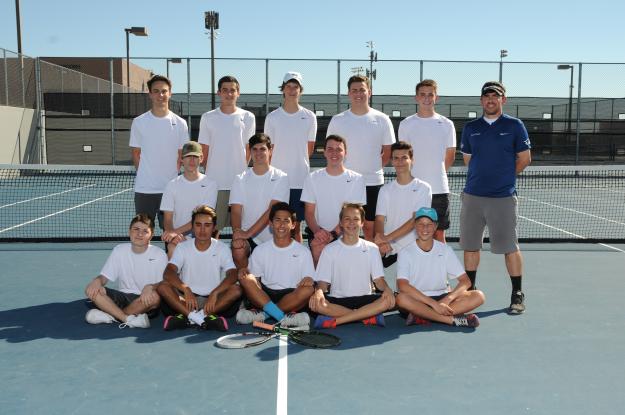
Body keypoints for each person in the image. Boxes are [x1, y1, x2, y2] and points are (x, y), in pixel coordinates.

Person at [459, 81, 531, 314]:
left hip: (503, 198)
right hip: (473, 197)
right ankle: (470, 291)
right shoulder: (471, 127)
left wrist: (504, 178)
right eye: (487, 97)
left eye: (495, 96)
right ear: (481, 101)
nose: (491, 100)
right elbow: (468, 160)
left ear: (503, 100)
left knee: (510, 247)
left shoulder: (515, 125)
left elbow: (524, 158)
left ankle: (517, 293)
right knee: (470, 247)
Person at [326, 75, 395, 241]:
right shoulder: (338, 120)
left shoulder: (382, 119)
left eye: (362, 90)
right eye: (354, 90)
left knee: (370, 228)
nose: (358, 93)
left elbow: (388, 151)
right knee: (343, 226)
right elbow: (331, 150)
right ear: (349, 93)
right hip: (345, 182)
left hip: (373, 182)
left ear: (369, 92)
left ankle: (369, 265)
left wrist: (373, 168)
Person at [309, 203, 395, 329]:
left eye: (356, 219)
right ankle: (366, 317)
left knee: (388, 299)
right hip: (338, 301)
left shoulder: (372, 249)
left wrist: (388, 289)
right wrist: (318, 292)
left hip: (366, 300)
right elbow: (322, 283)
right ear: (341, 223)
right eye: (347, 219)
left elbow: (379, 281)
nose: (351, 223)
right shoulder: (329, 250)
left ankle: (338, 321)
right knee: (318, 304)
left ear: (362, 223)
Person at [395, 207, 485, 327]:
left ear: (436, 226)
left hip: (442, 298)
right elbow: (403, 285)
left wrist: (446, 301)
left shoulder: (445, 250)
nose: (425, 228)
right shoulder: (405, 252)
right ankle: (450, 320)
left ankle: (423, 316)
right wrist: (433, 304)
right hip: (417, 300)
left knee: (478, 296)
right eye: (420, 224)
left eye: (429, 224)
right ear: (415, 226)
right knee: (401, 299)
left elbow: (466, 281)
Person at [157, 205, 241, 331]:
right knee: (163, 286)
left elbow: (233, 274)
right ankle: (202, 318)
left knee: (237, 290)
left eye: (207, 225)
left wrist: (215, 292)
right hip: (187, 300)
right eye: (198, 225)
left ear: (213, 227)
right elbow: (168, 273)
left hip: (213, 301)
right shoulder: (182, 247)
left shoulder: (222, 248)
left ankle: (190, 317)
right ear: (192, 226)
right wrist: (186, 289)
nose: (202, 230)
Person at [236, 202, 315, 327]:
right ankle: (282, 317)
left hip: (291, 297)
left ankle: (264, 315)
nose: (282, 224)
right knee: (246, 278)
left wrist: (308, 279)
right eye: (277, 220)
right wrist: (248, 277)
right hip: (265, 295)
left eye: (286, 220)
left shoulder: (303, 252)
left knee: (308, 289)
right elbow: (255, 281)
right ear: (271, 224)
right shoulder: (260, 250)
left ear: (293, 225)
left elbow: (310, 280)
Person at [398, 79, 456, 242]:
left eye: (430, 94)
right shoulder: (406, 124)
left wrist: (435, 175)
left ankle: (439, 268)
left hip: (439, 189)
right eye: (422, 94)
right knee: (410, 234)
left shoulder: (447, 124)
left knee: (438, 234)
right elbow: (403, 157)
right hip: (412, 189)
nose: (426, 98)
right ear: (416, 97)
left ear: (436, 97)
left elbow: (449, 156)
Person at [84, 214, 167, 328]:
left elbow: (165, 283)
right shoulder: (119, 250)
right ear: (129, 231)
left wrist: (151, 286)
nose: (139, 234)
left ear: (151, 235)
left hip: (143, 300)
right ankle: (126, 318)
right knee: (95, 290)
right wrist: (97, 281)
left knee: (155, 298)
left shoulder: (159, 254)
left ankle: (111, 315)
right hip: (122, 296)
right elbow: (104, 277)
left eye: (145, 231)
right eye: (136, 229)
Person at [264, 72, 317, 242]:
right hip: (277, 182)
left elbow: (309, 149)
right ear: (283, 89)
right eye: (289, 86)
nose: (292, 90)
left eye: (296, 87)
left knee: (295, 230)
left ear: (300, 90)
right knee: (276, 227)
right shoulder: (272, 117)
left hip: (300, 180)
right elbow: (268, 151)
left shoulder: (310, 117)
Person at [198, 75, 256, 232]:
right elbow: (204, 150)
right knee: (213, 229)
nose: (229, 94)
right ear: (218, 93)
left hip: (240, 184)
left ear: (238, 93)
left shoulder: (248, 117)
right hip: (215, 184)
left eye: (233, 90)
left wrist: (241, 172)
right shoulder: (208, 118)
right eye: (225, 90)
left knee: (240, 230)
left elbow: (248, 148)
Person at [129, 75, 188, 229]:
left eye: (164, 91)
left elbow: (181, 155)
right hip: (144, 190)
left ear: (170, 93)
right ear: (150, 94)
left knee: (171, 234)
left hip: (171, 190)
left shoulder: (181, 124)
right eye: (156, 91)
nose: (160, 95)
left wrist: (170, 177)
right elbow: (136, 153)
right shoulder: (139, 122)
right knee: (142, 232)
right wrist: (146, 175)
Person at [300, 135, 366, 266]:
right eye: (330, 149)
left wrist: (333, 235)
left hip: (346, 238)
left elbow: (353, 215)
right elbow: (309, 212)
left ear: (345, 153)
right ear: (324, 152)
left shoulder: (357, 179)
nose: (334, 153)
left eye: (339, 149)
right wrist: (319, 233)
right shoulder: (312, 178)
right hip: (319, 238)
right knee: (319, 281)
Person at [229, 133, 289, 269]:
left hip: (274, 237)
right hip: (247, 237)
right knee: (238, 250)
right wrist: (239, 233)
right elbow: (236, 212)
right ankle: (246, 283)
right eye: (254, 149)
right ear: (249, 152)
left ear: (270, 151)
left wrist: (248, 233)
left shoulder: (281, 177)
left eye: (262, 149)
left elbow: (272, 211)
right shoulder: (240, 178)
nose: (258, 153)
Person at [374, 141, 432, 267]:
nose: (400, 162)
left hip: (416, 249)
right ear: (392, 161)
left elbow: (415, 220)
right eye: (396, 158)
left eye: (404, 158)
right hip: (390, 250)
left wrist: (387, 238)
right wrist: (381, 241)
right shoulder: (385, 190)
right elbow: (379, 220)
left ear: (412, 160)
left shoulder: (423, 188)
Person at [160, 141, 218, 258]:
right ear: (181, 159)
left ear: (201, 158)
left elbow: (203, 217)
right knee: (172, 249)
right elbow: (168, 218)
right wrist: (174, 235)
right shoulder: (172, 185)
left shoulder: (211, 184)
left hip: (202, 235)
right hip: (178, 236)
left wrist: (176, 232)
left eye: (195, 157)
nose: (191, 161)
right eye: (188, 157)